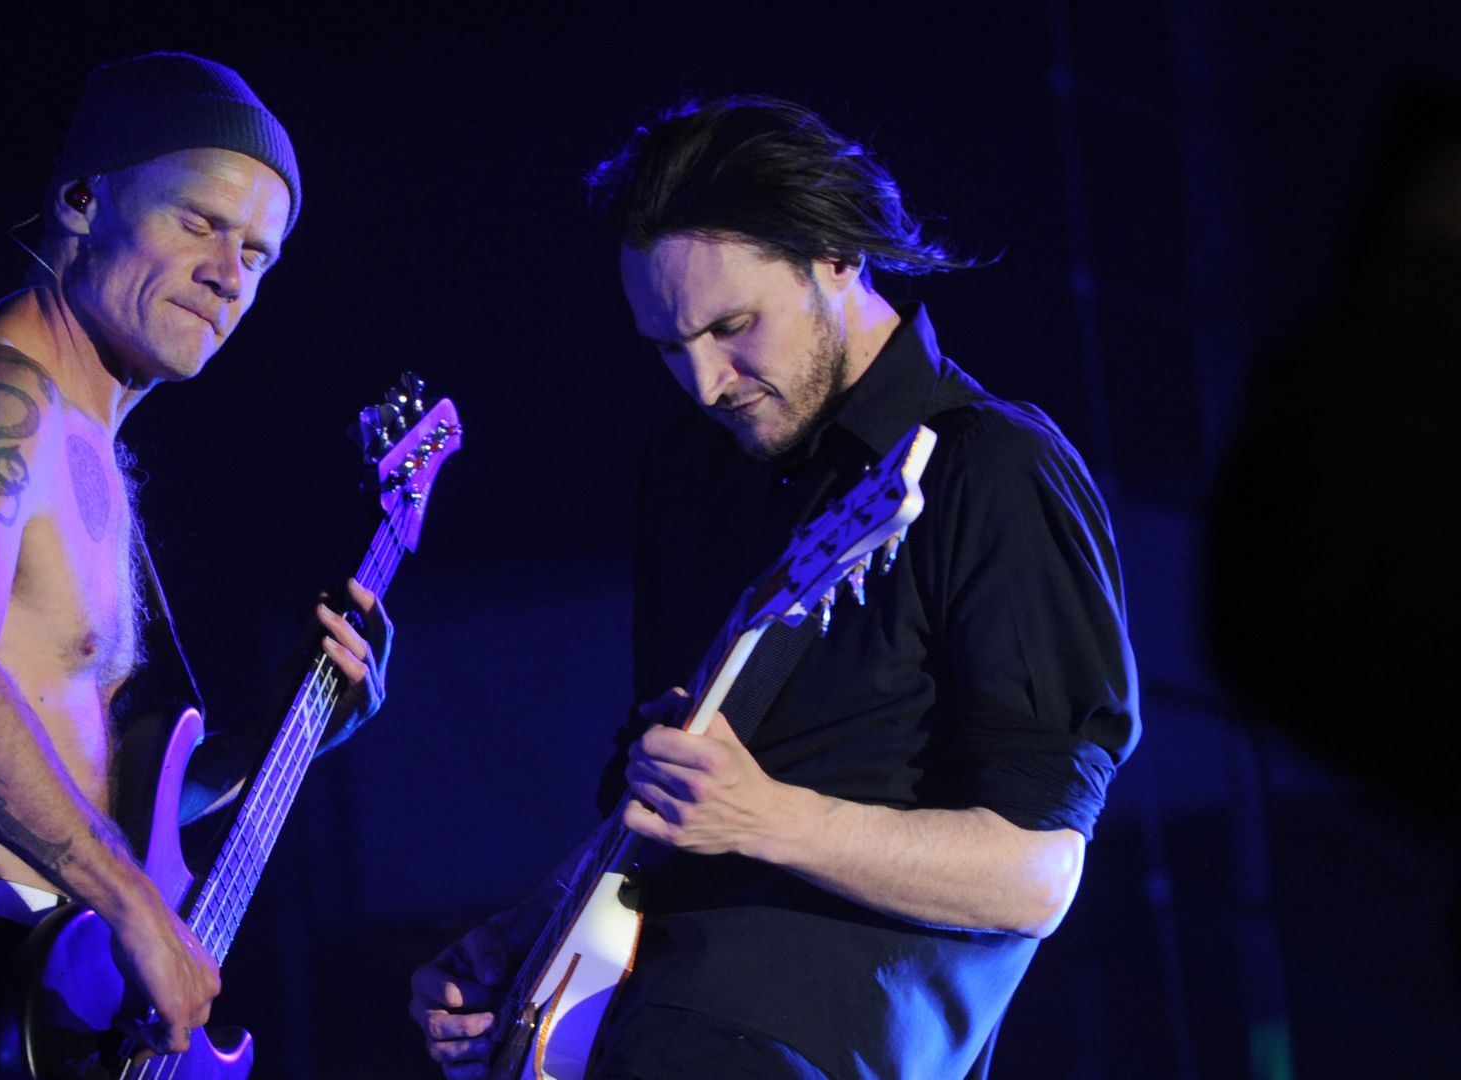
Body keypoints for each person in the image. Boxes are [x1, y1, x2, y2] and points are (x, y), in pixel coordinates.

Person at [409, 95, 1138, 1079]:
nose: (706, 382)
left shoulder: (991, 468)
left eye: (733, 326)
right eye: (669, 348)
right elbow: (665, 798)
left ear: (835, 255)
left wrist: (772, 818)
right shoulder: (692, 471)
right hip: (639, 1034)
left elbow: (1038, 874)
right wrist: (532, 938)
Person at [0, 52, 391, 1076]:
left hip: (49, 984)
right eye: (199, 222)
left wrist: (285, 739)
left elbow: (93, 792)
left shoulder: (92, 450)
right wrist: (137, 910)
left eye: (259, 251)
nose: (230, 274)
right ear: (82, 201)